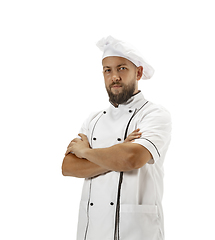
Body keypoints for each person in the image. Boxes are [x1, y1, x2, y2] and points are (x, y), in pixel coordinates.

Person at [62, 36, 172, 240]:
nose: (114, 77)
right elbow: (68, 167)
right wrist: (118, 152)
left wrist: (86, 153)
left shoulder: (154, 114)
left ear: (138, 72)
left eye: (122, 68)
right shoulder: (93, 120)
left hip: (135, 231)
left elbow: (132, 159)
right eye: (108, 70)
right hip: (92, 230)